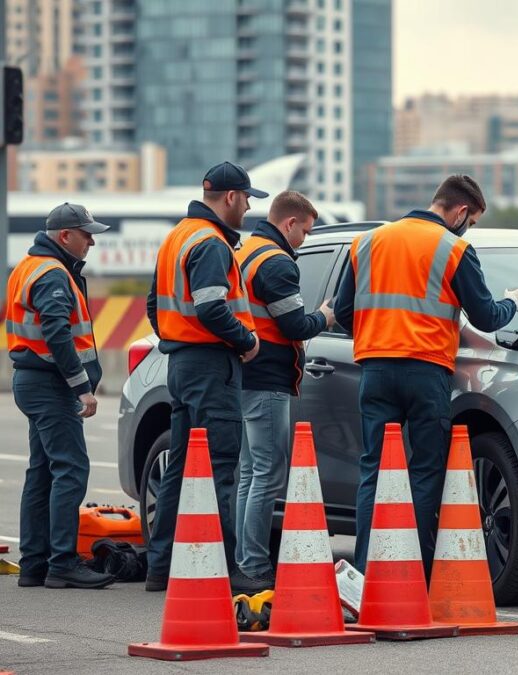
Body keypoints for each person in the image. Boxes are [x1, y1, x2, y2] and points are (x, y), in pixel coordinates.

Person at [333, 174, 518, 577]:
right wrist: (513, 303)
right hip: (426, 370)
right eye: (470, 221)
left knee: (374, 469)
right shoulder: (454, 249)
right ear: (459, 211)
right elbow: (487, 315)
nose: (468, 228)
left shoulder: (366, 242)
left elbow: (345, 313)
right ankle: (411, 574)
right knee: (423, 471)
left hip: (375, 368)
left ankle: (367, 571)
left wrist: (379, 333)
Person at [144, 161, 266, 592]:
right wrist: (245, 341)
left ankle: (160, 568)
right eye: (248, 199)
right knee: (220, 468)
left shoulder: (177, 237)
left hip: (182, 365)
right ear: (230, 197)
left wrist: (176, 340)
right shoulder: (211, 243)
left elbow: (154, 307)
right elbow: (212, 307)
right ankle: (227, 572)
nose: (249, 208)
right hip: (212, 366)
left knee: (179, 468)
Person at [7, 203, 114, 589]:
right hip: (50, 383)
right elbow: (57, 333)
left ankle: (35, 564)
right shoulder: (53, 273)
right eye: (86, 235)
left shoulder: (30, 265)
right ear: (65, 236)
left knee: (42, 472)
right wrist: (81, 386)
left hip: (31, 379)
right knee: (71, 469)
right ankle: (62, 562)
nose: (91, 242)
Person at [231, 191, 334, 593]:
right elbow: (295, 325)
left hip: (244, 375)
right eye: (305, 232)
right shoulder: (276, 262)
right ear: (289, 223)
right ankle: (254, 564)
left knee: (250, 474)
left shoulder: (246, 251)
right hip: (268, 377)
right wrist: (324, 316)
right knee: (267, 474)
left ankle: (245, 560)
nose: (305, 240)